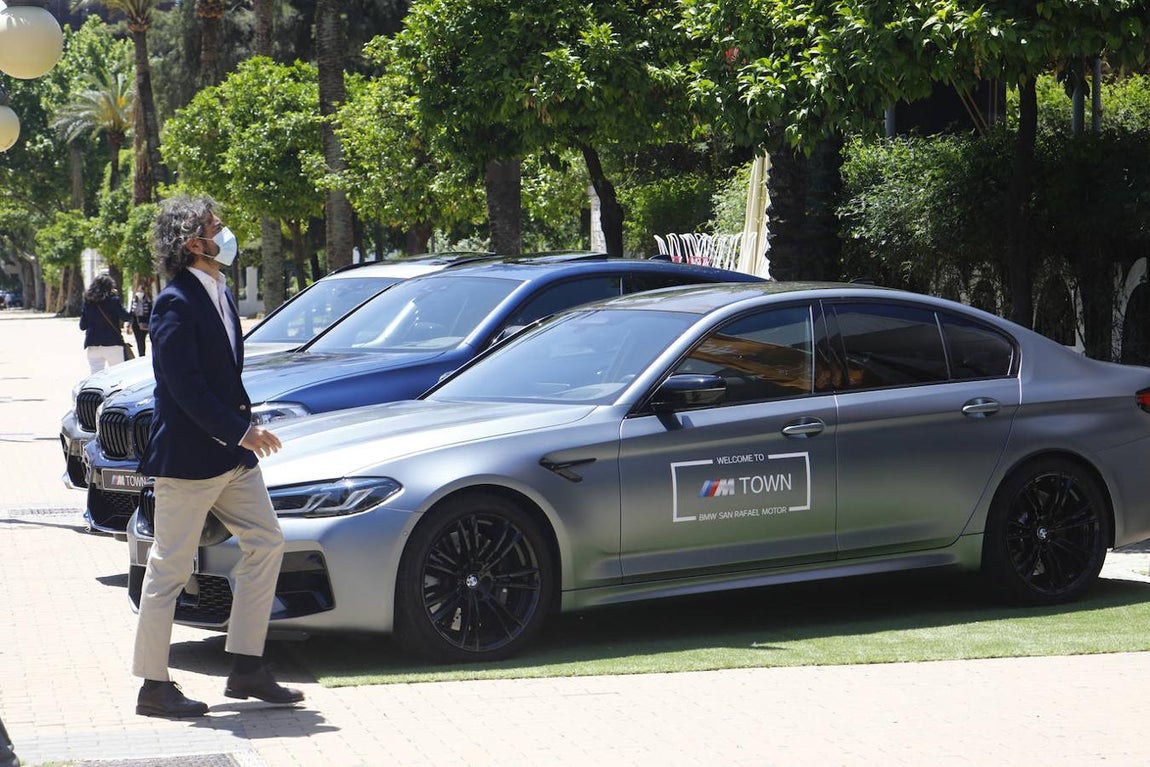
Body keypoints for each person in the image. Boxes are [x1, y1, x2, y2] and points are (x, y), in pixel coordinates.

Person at [133, 195, 304, 718]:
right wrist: (239, 431)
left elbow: (223, 375)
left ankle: (247, 666)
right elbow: (182, 386)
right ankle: (153, 687)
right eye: (216, 226)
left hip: (230, 459)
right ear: (193, 243)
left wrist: (240, 431)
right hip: (187, 460)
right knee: (170, 568)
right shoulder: (174, 302)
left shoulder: (221, 293)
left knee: (267, 542)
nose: (226, 232)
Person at [78, 274, 132, 373]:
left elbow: (82, 326)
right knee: (118, 375)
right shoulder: (114, 300)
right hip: (113, 343)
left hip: (93, 344)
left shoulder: (88, 302)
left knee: (95, 377)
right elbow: (126, 317)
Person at [129, 289, 153, 356]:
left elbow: (150, 313)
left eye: (141, 291)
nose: (139, 293)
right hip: (136, 323)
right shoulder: (133, 302)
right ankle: (141, 354)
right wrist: (129, 324)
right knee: (139, 340)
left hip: (144, 323)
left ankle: (143, 354)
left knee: (143, 339)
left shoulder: (148, 302)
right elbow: (131, 313)